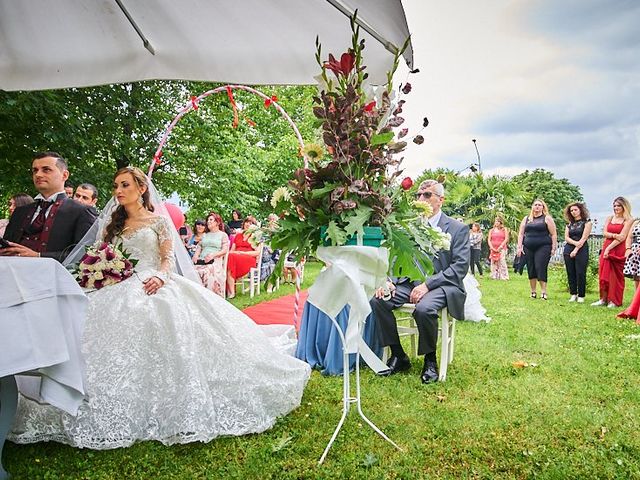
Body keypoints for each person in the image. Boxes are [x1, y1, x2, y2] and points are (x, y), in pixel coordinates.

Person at [9, 166, 310, 449]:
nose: (118, 191)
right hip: (114, 284)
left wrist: (161, 277)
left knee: (161, 316)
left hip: (153, 280)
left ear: (141, 188)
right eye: (115, 186)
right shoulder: (111, 224)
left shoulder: (158, 221)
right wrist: (99, 273)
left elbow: (167, 260)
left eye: (125, 185)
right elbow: (99, 255)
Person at [369, 179, 469, 384]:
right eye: (418, 195)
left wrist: (428, 285)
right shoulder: (410, 225)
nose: (420, 199)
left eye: (427, 195)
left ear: (440, 200)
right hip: (408, 282)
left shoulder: (457, 229)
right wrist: (389, 280)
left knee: (423, 309)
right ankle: (398, 355)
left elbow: (460, 267)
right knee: (378, 301)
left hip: (442, 286)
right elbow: (395, 256)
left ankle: (430, 361)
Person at [0, 152, 95, 262]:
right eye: (35, 170)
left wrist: (38, 256)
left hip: (54, 277)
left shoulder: (82, 212)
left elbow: (85, 255)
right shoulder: (20, 212)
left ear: (64, 175)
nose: (38, 175)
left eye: (46, 170)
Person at [591, 197, 633, 307]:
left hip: (618, 248)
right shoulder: (609, 218)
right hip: (606, 247)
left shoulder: (628, 220)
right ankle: (603, 299)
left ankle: (614, 300)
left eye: (618, 205)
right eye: (614, 206)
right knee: (604, 274)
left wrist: (609, 248)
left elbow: (623, 237)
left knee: (616, 275)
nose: (616, 208)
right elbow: (604, 233)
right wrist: (614, 236)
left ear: (624, 206)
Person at [517, 199, 557, 300]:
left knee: (540, 267)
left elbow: (553, 234)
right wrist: (519, 246)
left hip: (543, 246)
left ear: (543, 207)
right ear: (532, 207)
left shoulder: (547, 218)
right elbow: (521, 233)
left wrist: (553, 247)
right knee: (531, 268)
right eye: (535, 205)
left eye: (540, 205)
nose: (537, 207)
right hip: (528, 246)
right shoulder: (526, 219)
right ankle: (533, 291)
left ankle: (543, 292)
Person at [193, 212, 230, 297]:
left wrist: (213, 255)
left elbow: (224, 250)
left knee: (205, 271)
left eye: (211, 220)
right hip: (202, 261)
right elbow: (199, 246)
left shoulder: (222, 235)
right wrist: (196, 255)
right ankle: (197, 296)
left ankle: (208, 296)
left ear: (217, 222)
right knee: (193, 271)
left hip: (215, 262)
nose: (208, 222)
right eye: (208, 220)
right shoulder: (205, 235)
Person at [563, 202, 592, 303]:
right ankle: (573, 294)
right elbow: (566, 237)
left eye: (575, 210)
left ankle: (581, 295)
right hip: (568, 248)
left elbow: (584, 238)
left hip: (582, 249)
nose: (573, 212)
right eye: (571, 211)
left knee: (580, 272)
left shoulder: (587, 222)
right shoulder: (569, 224)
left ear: (580, 210)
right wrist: (574, 244)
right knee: (570, 272)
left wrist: (576, 249)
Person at [226, 217, 260, 299]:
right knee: (230, 257)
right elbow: (231, 250)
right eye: (246, 222)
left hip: (248, 258)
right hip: (235, 257)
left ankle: (231, 292)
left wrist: (243, 253)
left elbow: (257, 252)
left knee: (231, 259)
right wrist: (236, 253)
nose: (248, 224)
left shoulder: (255, 237)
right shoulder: (238, 236)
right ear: (243, 224)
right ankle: (231, 292)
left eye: (250, 223)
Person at [622, 218, 640, 290]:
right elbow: (629, 237)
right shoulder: (636, 222)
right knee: (637, 277)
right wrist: (628, 249)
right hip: (635, 251)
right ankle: (637, 299)